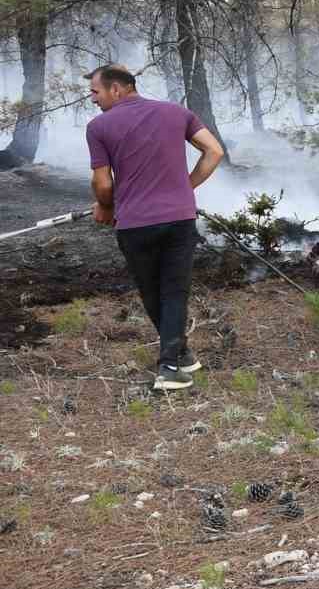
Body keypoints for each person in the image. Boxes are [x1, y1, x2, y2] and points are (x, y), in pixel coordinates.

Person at [85, 64, 226, 391]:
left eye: (95, 92)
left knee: (153, 292)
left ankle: (170, 368)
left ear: (116, 89)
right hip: (179, 219)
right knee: (174, 292)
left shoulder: (99, 127)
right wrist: (184, 187)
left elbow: (102, 182)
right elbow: (214, 151)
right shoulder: (177, 112)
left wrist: (106, 206)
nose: (92, 99)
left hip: (135, 224)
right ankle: (181, 354)